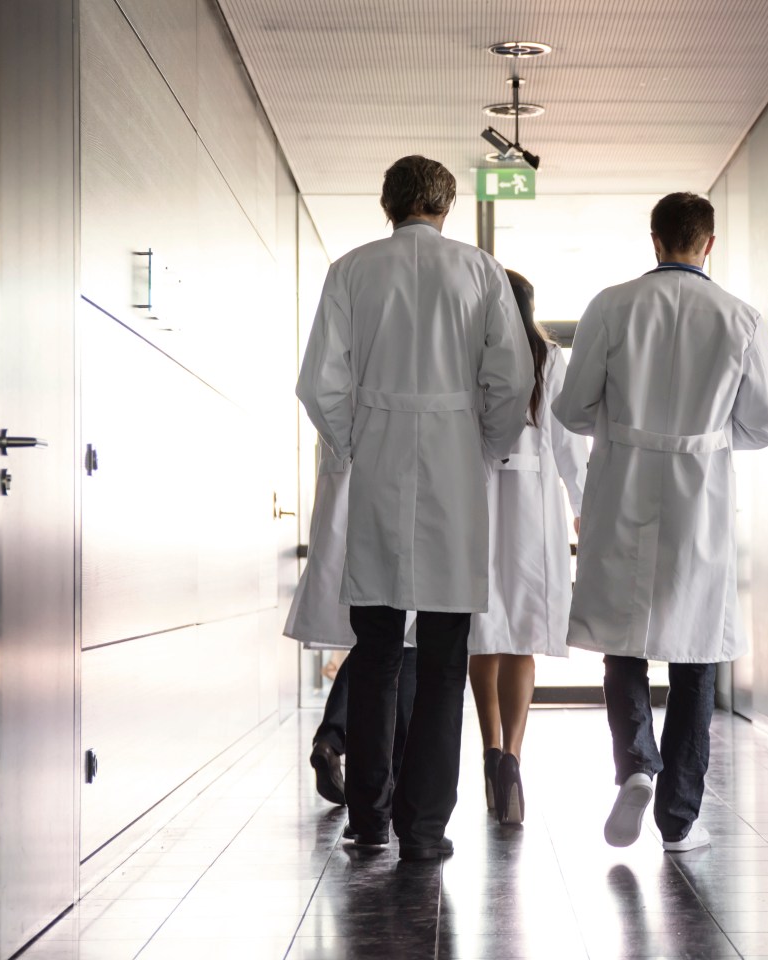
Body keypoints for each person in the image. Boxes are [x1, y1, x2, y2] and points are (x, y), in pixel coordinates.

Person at [296, 155, 533, 861]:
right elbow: (510, 379)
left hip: (378, 465)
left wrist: (355, 444)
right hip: (454, 469)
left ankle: (369, 816)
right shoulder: (480, 271)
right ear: (447, 207)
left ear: (387, 205)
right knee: (443, 659)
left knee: (375, 652)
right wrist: (483, 446)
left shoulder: (351, 271)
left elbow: (319, 384)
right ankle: (424, 829)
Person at [552, 192, 768, 854]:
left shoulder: (611, 305)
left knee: (622, 640)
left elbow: (571, 409)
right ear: (707, 243)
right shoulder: (740, 318)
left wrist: (622, 424)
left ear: (654, 240)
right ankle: (679, 819)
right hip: (697, 492)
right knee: (696, 651)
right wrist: (709, 435)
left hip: (622, 482)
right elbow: (765, 425)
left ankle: (635, 763)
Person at [468, 269, 588, 826]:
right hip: (533, 509)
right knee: (521, 638)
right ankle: (513, 758)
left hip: (478, 503)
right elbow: (569, 446)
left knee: (483, 634)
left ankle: (490, 751)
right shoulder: (550, 360)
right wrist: (584, 506)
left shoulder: (473, 357)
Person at [283, 439, 417, 808]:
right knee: (403, 643)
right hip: (394, 487)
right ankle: (388, 787)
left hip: (363, 480)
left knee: (381, 641)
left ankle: (333, 741)